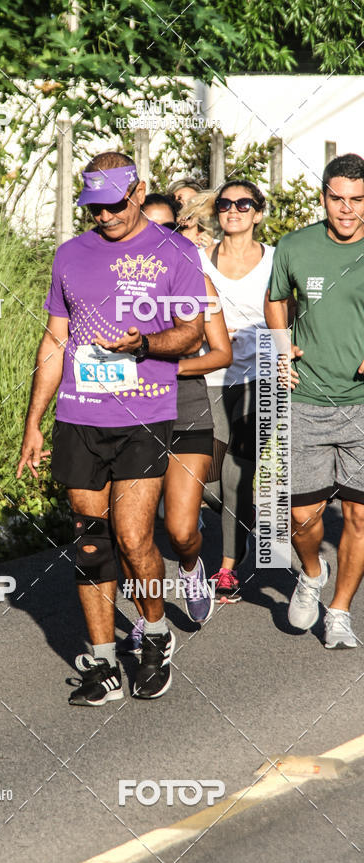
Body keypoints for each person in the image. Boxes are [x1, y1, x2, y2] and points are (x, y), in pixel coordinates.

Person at [16, 151, 207, 705]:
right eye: (95, 208)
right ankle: (100, 664)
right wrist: (33, 423)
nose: (107, 216)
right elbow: (54, 340)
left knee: (132, 537)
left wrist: (144, 344)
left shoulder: (176, 251)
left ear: (139, 191)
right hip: (78, 416)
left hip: (144, 413)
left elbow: (191, 333)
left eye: (116, 205)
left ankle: (153, 634)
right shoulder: (70, 256)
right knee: (90, 543)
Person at [119, 194, 232, 654]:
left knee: (183, 529)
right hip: (130, 411)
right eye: (151, 227)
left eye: (169, 228)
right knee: (134, 533)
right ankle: (151, 621)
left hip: (186, 407)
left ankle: (190, 568)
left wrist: (170, 367)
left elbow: (222, 354)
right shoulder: (118, 281)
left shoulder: (198, 281)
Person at [265, 152, 364, 649]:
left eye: (357, 200)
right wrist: (282, 347)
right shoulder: (295, 247)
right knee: (302, 518)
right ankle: (311, 571)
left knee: (359, 517)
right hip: (307, 400)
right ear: (323, 197)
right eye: (337, 199)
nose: (347, 210)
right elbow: (276, 297)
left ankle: (340, 612)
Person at [199, 180, 274, 601]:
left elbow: (295, 310)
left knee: (235, 470)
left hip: (258, 377)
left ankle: (227, 566)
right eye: (226, 204)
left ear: (258, 213)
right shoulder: (198, 261)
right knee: (207, 483)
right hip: (210, 375)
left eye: (244, 204)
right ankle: (244, 516)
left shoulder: (277, 260)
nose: (234, 209)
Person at [169, 178, 214, 248]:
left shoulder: (215, 246)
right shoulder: (161, 245)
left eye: (192, 202)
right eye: (179, 202)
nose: (185, 208)